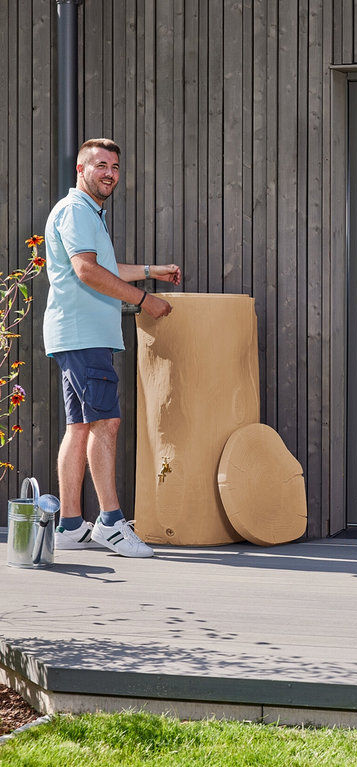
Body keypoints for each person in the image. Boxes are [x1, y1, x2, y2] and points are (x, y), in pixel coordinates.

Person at [44, 138, 182, 557]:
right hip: (85, 335)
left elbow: (100, 267)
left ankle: (69, 525)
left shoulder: (88, 214)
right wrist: (144, 300)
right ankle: (111, 523)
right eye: (100, 164)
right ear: (81, 170)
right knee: (107, 424)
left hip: (76, 335)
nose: (109, 172)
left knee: (80, 427)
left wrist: (150, 272)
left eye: (115, 167)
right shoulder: (76, 211)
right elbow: (87, 272)